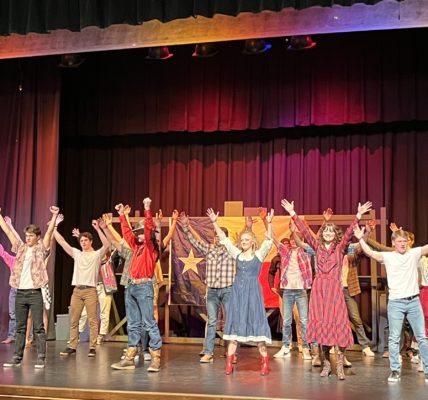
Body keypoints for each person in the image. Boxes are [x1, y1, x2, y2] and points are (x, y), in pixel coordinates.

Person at [281, 199, 372, 380]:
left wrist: (358, 215)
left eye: (331, 231)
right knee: (322, 326)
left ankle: (339, 365)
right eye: (326, 231)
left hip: (335, 290)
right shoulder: (317, 247)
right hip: (319, 291)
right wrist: (293, 213)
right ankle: (326, 365)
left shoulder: (340, 249)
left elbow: (349, 234)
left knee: (338, 325)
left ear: (335, 234)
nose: (328, 233)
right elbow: (305, 232)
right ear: (322, 234)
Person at [354, 225, 428, 382]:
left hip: (413, 302)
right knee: (394, 338)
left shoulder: (414, 253)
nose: (403, 244)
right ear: (394, 243)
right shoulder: (388, 256)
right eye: (399, 241)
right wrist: (361, 238)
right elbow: (370, 253)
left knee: (422, 337)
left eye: (405, 241)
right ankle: (395, 370)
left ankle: (427, 370)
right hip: (396, 303)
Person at [207, 207, 274, 376]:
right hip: (238, 294)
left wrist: (269, 223)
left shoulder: (258, 255)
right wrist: (215, 223)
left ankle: (264, 363)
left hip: (253, 294)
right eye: (242, 239)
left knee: (257, 325)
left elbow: (268, 241)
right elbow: (225, 241)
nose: (243, 241)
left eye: (246, 239)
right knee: (235, 327)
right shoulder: (237, 254)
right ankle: (229, 363)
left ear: (252, 242)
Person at [1, 205, 59, 369]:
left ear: (37, 237)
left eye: (31, 236)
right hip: (20, 292)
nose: (28, 238)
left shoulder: (41, 249)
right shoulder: (20, 248)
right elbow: (9, 232)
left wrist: (54, 216)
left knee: (38, 327)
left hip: (35, 292)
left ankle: (41, 357)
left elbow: (49, 233)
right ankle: (17, 357)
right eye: (26, 235)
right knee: (20, 327)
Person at [110, 198, 162, 372]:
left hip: (144, 286)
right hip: (131, 286)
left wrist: (147, 209)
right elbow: (127, 234)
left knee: (149, 322)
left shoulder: (151, 248)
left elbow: (148, 230)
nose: (138, 235)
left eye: (141, 232)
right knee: (132, 323)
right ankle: (130, 357)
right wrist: (121, 215)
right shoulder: (136, 247)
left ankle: (155, 357)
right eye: (138, 232)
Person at [180, 211, 235, 363]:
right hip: (212, 291)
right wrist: (186, 226)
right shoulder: (209, 249)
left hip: (227, 290)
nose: (217, 238)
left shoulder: (231, 250)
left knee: (230, 321)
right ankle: (209, 353)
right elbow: (193, 241)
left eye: (220, 236)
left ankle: (231, 353)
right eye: (215, 236)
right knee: (211, 322)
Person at [55, 218, 110, 357]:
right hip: (77, 291)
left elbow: (107, 244)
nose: (83, 243)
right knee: (74, 320)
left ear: (91, 241)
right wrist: (54, 228)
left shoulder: (96, 255)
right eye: (81, 241)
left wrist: (98, 229)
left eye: (86, 240)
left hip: (90, 290)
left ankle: (92, 347)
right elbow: (62, 242)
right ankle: (72, 346)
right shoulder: (77, 254)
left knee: (92, 320)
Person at [268, 232, 313, 361]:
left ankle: (305, 348)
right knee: (287, 321)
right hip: (287, 291)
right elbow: (275, 240)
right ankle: (286, 347)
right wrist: (268, 223)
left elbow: (313, 241)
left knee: (303, 320)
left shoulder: (306, 252)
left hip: (301, 291)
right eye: (292, 240)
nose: (293, 242)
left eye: (296, 240)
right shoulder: (285, 253)